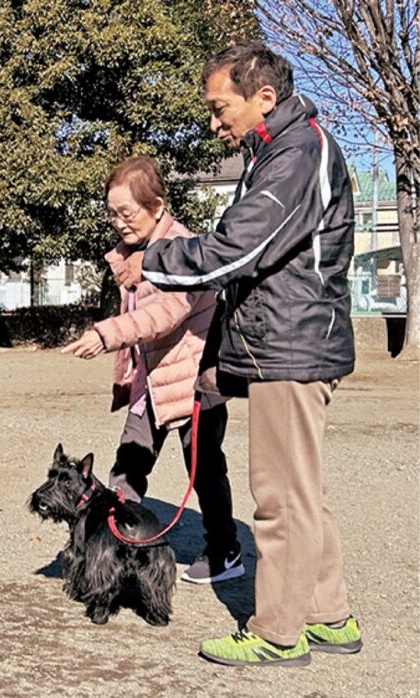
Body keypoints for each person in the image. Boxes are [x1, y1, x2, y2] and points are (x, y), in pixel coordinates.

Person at [126, 42, 361, 666]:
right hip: (285, 345)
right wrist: (221, 361)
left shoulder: (297, 152)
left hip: (292, 350)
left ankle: (279, 632)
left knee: (280, 497)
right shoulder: (283, 152)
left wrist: (150, 259)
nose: (213, 121)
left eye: (218, 106)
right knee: (302, 491)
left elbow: (235, 252)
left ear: (263, 98)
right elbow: (250, 266)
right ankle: (329, 615)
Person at [62, 155, 243, 585]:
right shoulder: (131, 254)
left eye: (127, 212)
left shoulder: (183, 249)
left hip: (192, 381)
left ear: (157, 206)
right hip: (152, 382)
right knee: (127, 465)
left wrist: (107, 334)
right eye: (112, 213)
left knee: (204, 470)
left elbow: (163, 315)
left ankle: (225, 548)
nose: (119, 222)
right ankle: (113, 548)